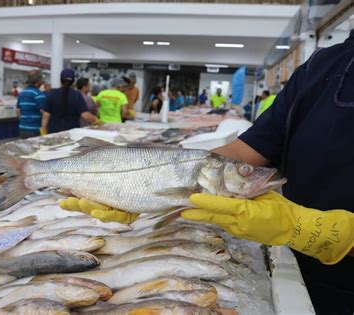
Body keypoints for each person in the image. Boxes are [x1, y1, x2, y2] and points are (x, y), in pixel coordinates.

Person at [59, 31, 354, 314]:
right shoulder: (324, 64)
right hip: (291, 266)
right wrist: (140, 183)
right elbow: (248, 149)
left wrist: (332, 234)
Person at [41, 69, 100, 134]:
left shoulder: (52, 93)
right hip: (71, 132)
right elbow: (85, 115)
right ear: (73, 81)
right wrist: (97, 120)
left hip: (54, 131)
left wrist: (43, 129)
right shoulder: (77, 95)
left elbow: (46, 115)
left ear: (60, 80)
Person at [16, 70, 45, 138]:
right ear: (38, 81)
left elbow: (17, 111)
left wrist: (25, 122)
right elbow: (44, 112)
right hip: (35, 130)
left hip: (22, 129)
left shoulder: (22, 93)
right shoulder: (38, 94)